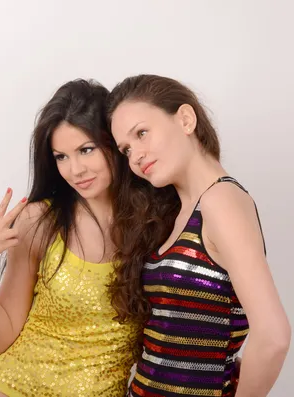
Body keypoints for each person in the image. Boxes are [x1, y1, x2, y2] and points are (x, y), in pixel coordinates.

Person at [0, 79, 172, 397]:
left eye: (86, 150)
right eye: (61, 157)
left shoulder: (160, 221)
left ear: (113, 144)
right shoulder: (38, 221)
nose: (75, 170)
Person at [107, 74, 291, 397]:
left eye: (142, 133)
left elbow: (273, 336)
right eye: (126, 149)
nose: (135, 155)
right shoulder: (177, 211)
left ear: (186, 119)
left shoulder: (221, 201)